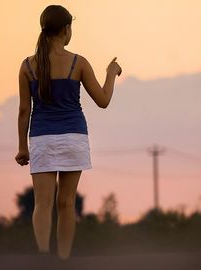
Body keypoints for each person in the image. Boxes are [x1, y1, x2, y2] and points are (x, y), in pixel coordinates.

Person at [14, 5, 122, 261]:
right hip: (74, 137)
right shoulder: (78, 62)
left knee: (43, 203)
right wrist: (110, 73)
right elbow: (103, 100)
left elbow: (23, 110)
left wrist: (22, 147)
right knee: (66, 203)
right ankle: (63, 260)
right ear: (66, 30)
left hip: (41, 138)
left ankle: (43, 255)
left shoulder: (27, 66)